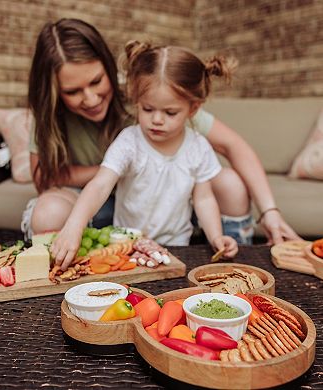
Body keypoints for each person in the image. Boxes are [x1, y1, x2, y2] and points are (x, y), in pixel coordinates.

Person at [23, 17, 300, 246]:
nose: (91, 98)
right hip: (106, 211)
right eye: (73, 91)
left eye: (96, 81)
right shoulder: (130, 125)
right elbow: (55, 180)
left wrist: (269, 211)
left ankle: (234, 253)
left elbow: (233, 147)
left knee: (228, 182)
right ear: (55, 92)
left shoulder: (154, 91)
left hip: (168, 211)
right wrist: (122, 168)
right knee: (49, 212)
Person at [51, 41, 239, 270]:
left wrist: (216, 237)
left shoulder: (198, 147)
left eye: (170, 112)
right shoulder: (130, 142)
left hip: (177, 248)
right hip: (127, 246)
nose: (157, 119)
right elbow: (100, 185)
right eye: (148, 109)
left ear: (193, 109)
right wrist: (74, 225)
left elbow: (204, 199)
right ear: (136, 101)